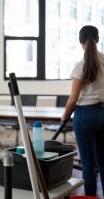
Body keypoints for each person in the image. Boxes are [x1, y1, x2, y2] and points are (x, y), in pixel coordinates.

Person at [61, 25, 104, 197]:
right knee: (103, 161)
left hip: (85, 114)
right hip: (103, 113)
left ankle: (91, 197)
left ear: (81, 42)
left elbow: (73, 98)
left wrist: (64, 115)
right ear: (98, 39)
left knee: (87, 163)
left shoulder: (81, 66)